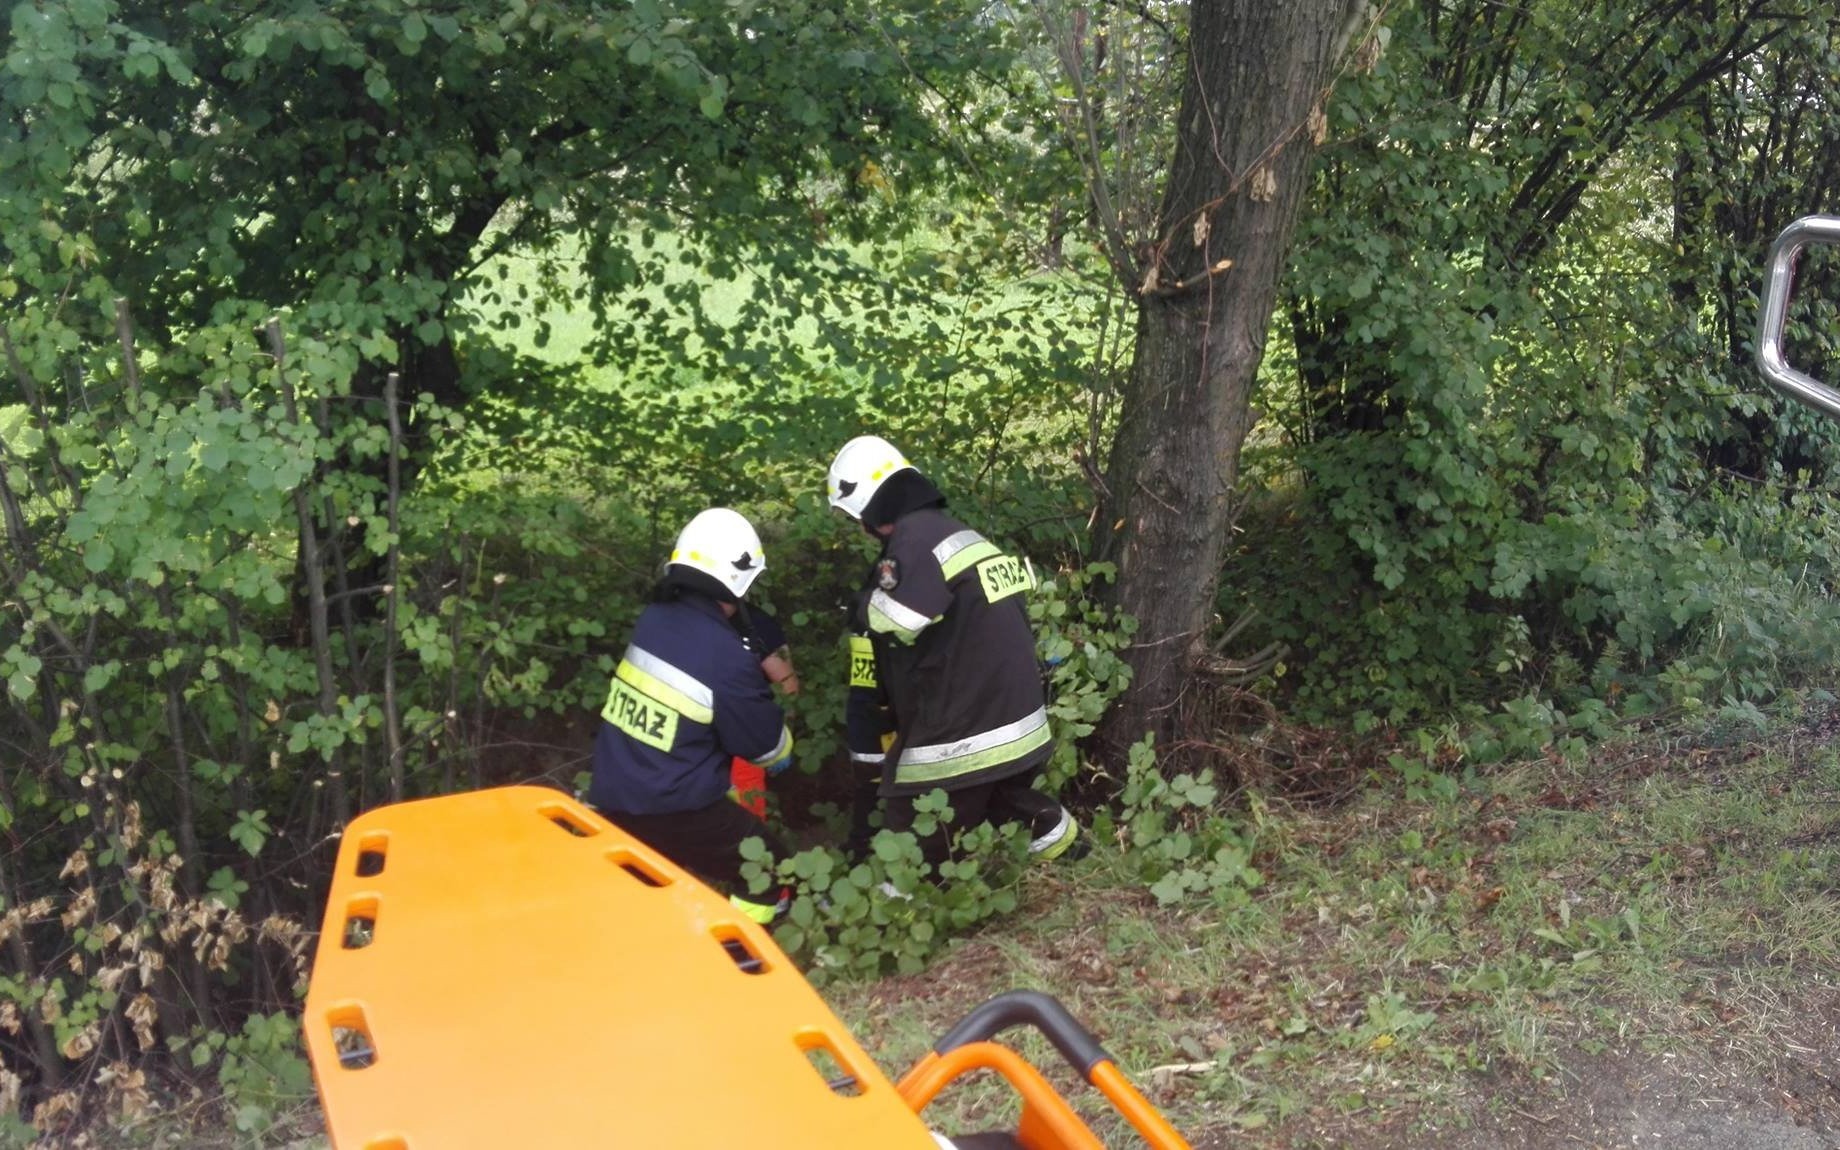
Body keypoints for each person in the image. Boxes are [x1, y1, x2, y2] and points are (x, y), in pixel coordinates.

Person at [827, 435, 1081, 871]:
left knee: (911, 827)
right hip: (1022, 724)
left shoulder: (913, 542)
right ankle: (1069, 846)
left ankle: (892, 911)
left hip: (971, 733)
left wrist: (859, 606)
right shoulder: (958, 533)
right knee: (1003, 798)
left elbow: (899, 619)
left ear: (868, 510)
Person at [585, 508, 795, 923]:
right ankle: (744, 962)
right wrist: (783, 749)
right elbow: (766, 747)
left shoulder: (654, 619)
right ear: (738, 581)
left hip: (613, 793)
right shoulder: (727, 656)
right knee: (769, 867)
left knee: (644, 892)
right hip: (673, 804)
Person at [730, 606, 799, 818]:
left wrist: (777, 736)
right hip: (695, 733)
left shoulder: (755, 623)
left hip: (742, 731)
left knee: (746, 814)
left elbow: (788, 686)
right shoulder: (681, 619)